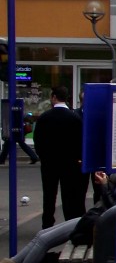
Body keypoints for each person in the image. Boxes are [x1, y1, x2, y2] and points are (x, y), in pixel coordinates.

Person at [0, 171, 116, 263]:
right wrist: (106, 183)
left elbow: (115, 208)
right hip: (96, 218)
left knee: (44, 240)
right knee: (41, 235)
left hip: (99, 225)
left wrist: (105, 185)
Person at [32, 85, 87, 230]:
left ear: (54, 97)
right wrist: (78, 158)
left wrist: (43, 156)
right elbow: (81, 141)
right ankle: (70, 225)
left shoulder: (44, 118)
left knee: (49, 195)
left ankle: (47, 224)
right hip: (70, 164)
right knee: (69, 196)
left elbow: (38, 141)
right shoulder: (75, 118)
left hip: (49, 163)